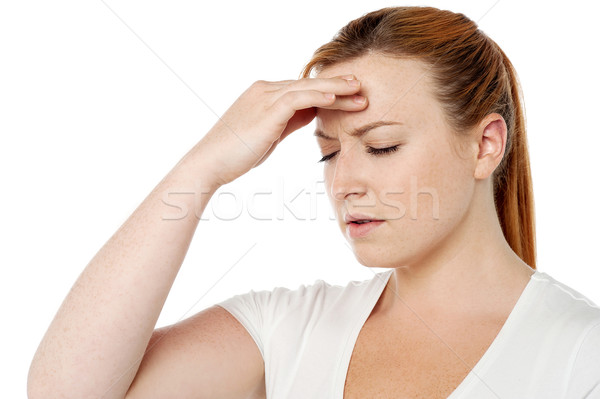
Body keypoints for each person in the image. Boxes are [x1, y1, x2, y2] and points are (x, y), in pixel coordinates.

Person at [27, 5, 600, 399]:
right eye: (327, 154)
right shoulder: (287, 329)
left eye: (381, 145)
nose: (344, 182)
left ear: (485, 144)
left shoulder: (582, 353)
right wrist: (201, 168)